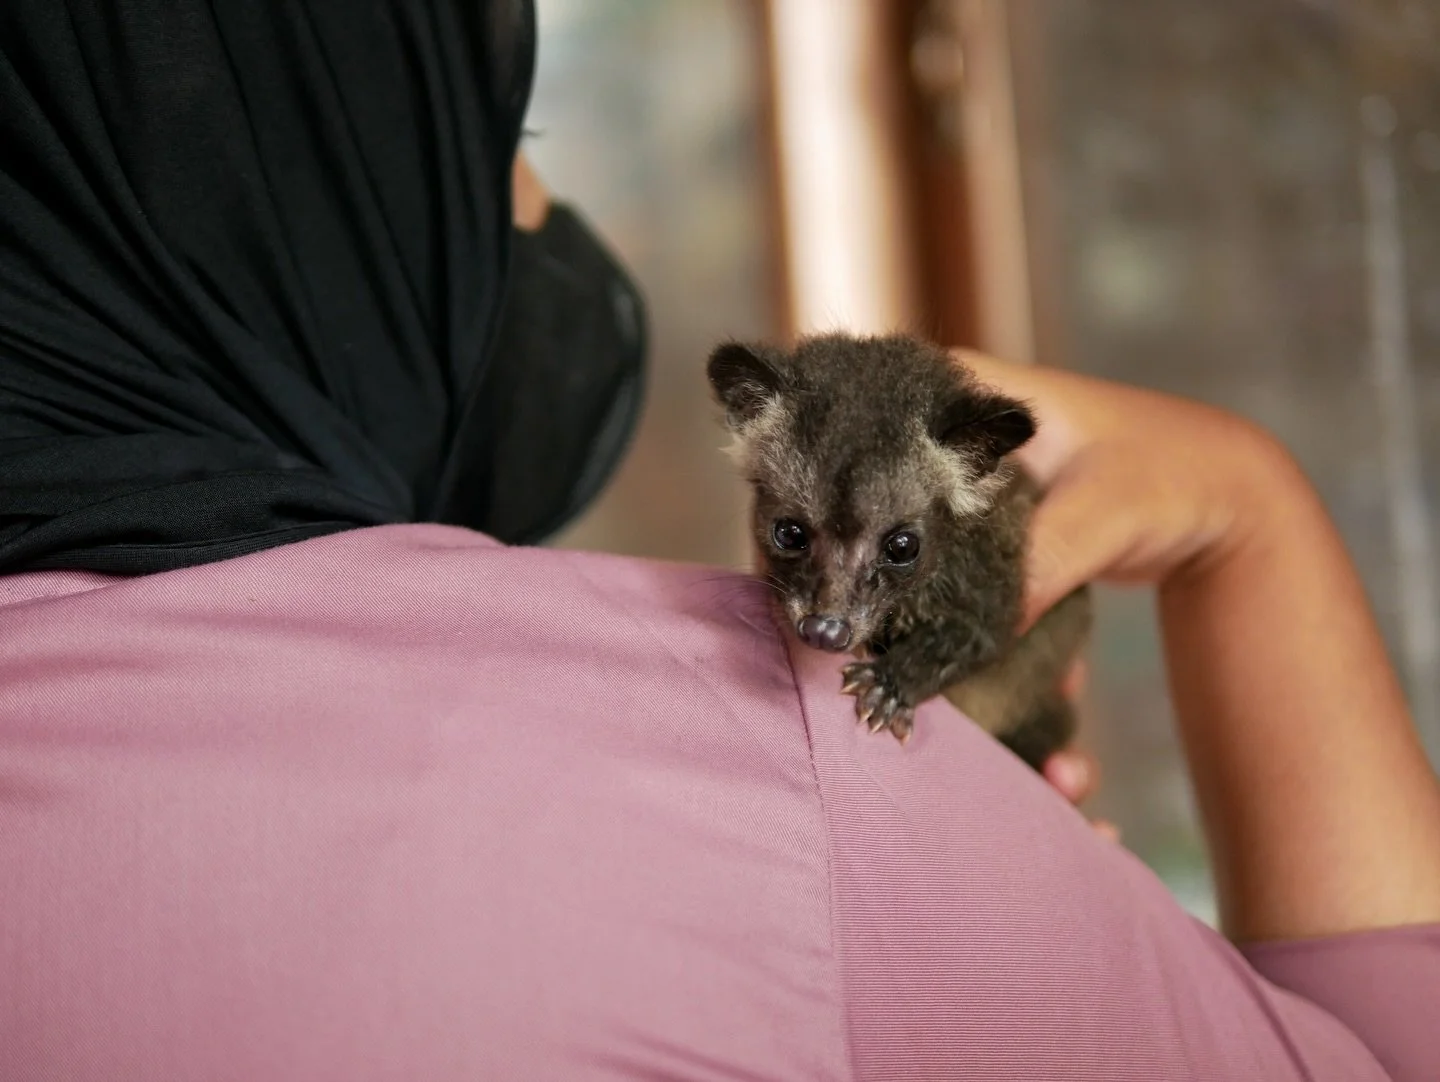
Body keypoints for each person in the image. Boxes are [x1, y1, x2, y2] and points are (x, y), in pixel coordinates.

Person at [1, 2, 1437, 1080]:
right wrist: (1245, 509)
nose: (547, 235)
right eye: (504, 146)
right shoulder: (789, 773)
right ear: (344, 191)